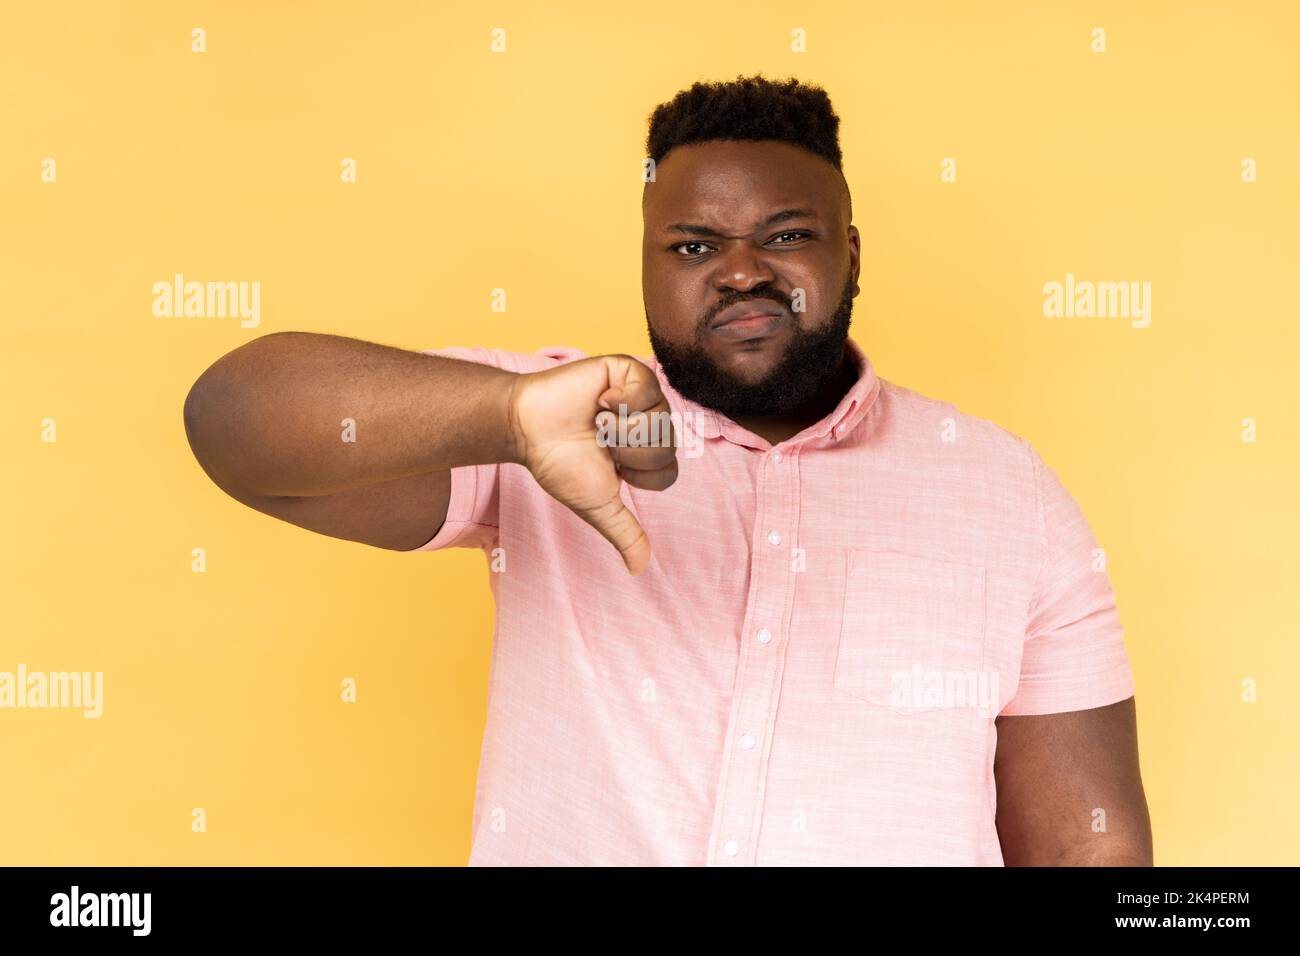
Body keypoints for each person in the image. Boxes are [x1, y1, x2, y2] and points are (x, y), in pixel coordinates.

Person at [183, 74, 1152, 866]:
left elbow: (1088, 848)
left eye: (784, 234)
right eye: (693, 245)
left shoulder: (1004, 488)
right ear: (645, 266)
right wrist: (506, 413)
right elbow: (232, 421)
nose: (739, 270)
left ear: (848, 253)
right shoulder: (548, 420)